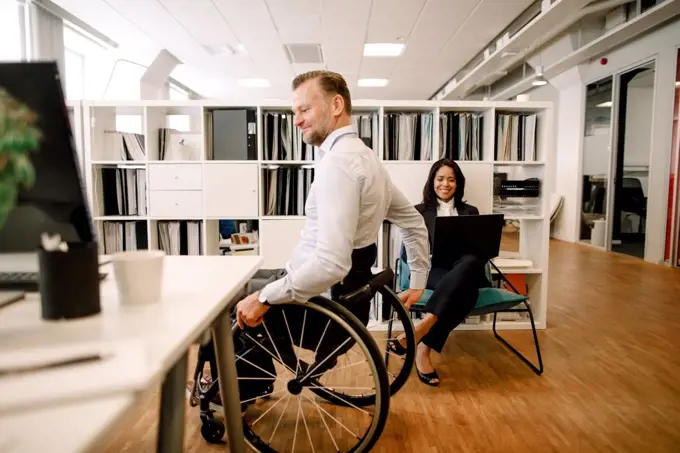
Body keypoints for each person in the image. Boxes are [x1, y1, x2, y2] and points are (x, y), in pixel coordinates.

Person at [233, 70, 431, 392]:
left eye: (304, 109)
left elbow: (331, 263)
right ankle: (246, 382)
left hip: (319, 311)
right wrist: (419, 280)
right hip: (350, 305)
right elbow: (414, 223)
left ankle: (240, 389)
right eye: (294, 112)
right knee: (248, 282)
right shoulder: (368, 161)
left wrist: (266, 297)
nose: (297, 120)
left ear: (336, 105)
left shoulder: (338, 165)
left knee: (235, 301)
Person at [389, 158, 490, 387]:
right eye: (441, 179)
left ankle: (424, 327)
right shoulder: (418, 212)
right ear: (432, 181)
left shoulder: (470, 211)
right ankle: (424, 348)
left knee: (470, 262)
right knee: (467, 293)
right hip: (434, 271)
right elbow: (408, 254)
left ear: (458, 183)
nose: (446, 184)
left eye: (451, 180)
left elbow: (482, 251)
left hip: (466, 268)